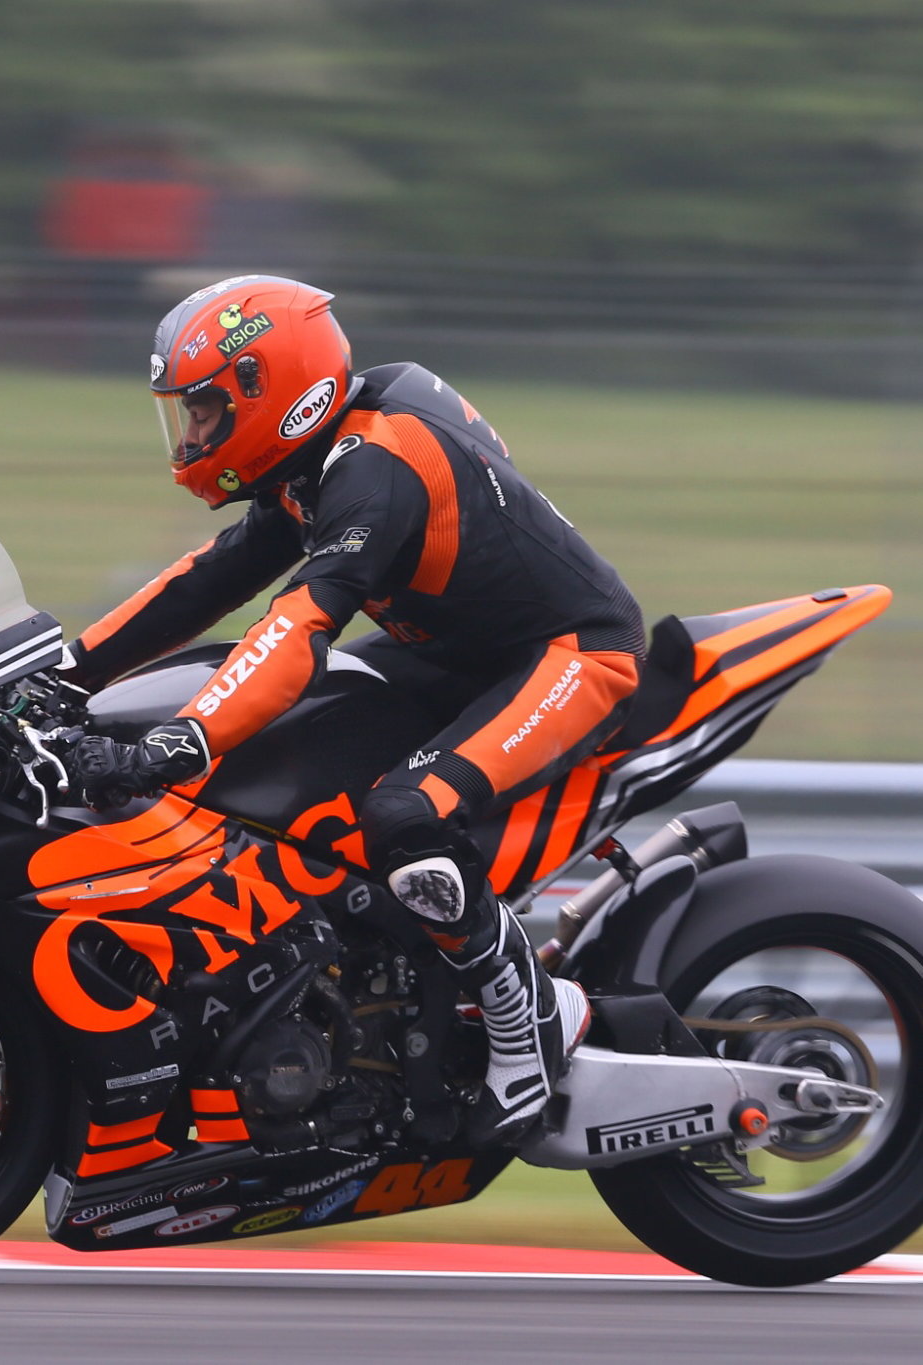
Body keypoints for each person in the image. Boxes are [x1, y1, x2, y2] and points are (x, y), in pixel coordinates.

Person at [63, 275, 645, 1145]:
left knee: (401, 815)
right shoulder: (305, 471)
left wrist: (180, 742)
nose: (192, 435)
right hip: (443, 654)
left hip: (568, 653)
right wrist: (64, 673)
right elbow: (204, 584)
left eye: (207, 410)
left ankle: (529, 1024)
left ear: (272, 392)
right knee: (294, 772)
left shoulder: (375, 467)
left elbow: (297, 626)